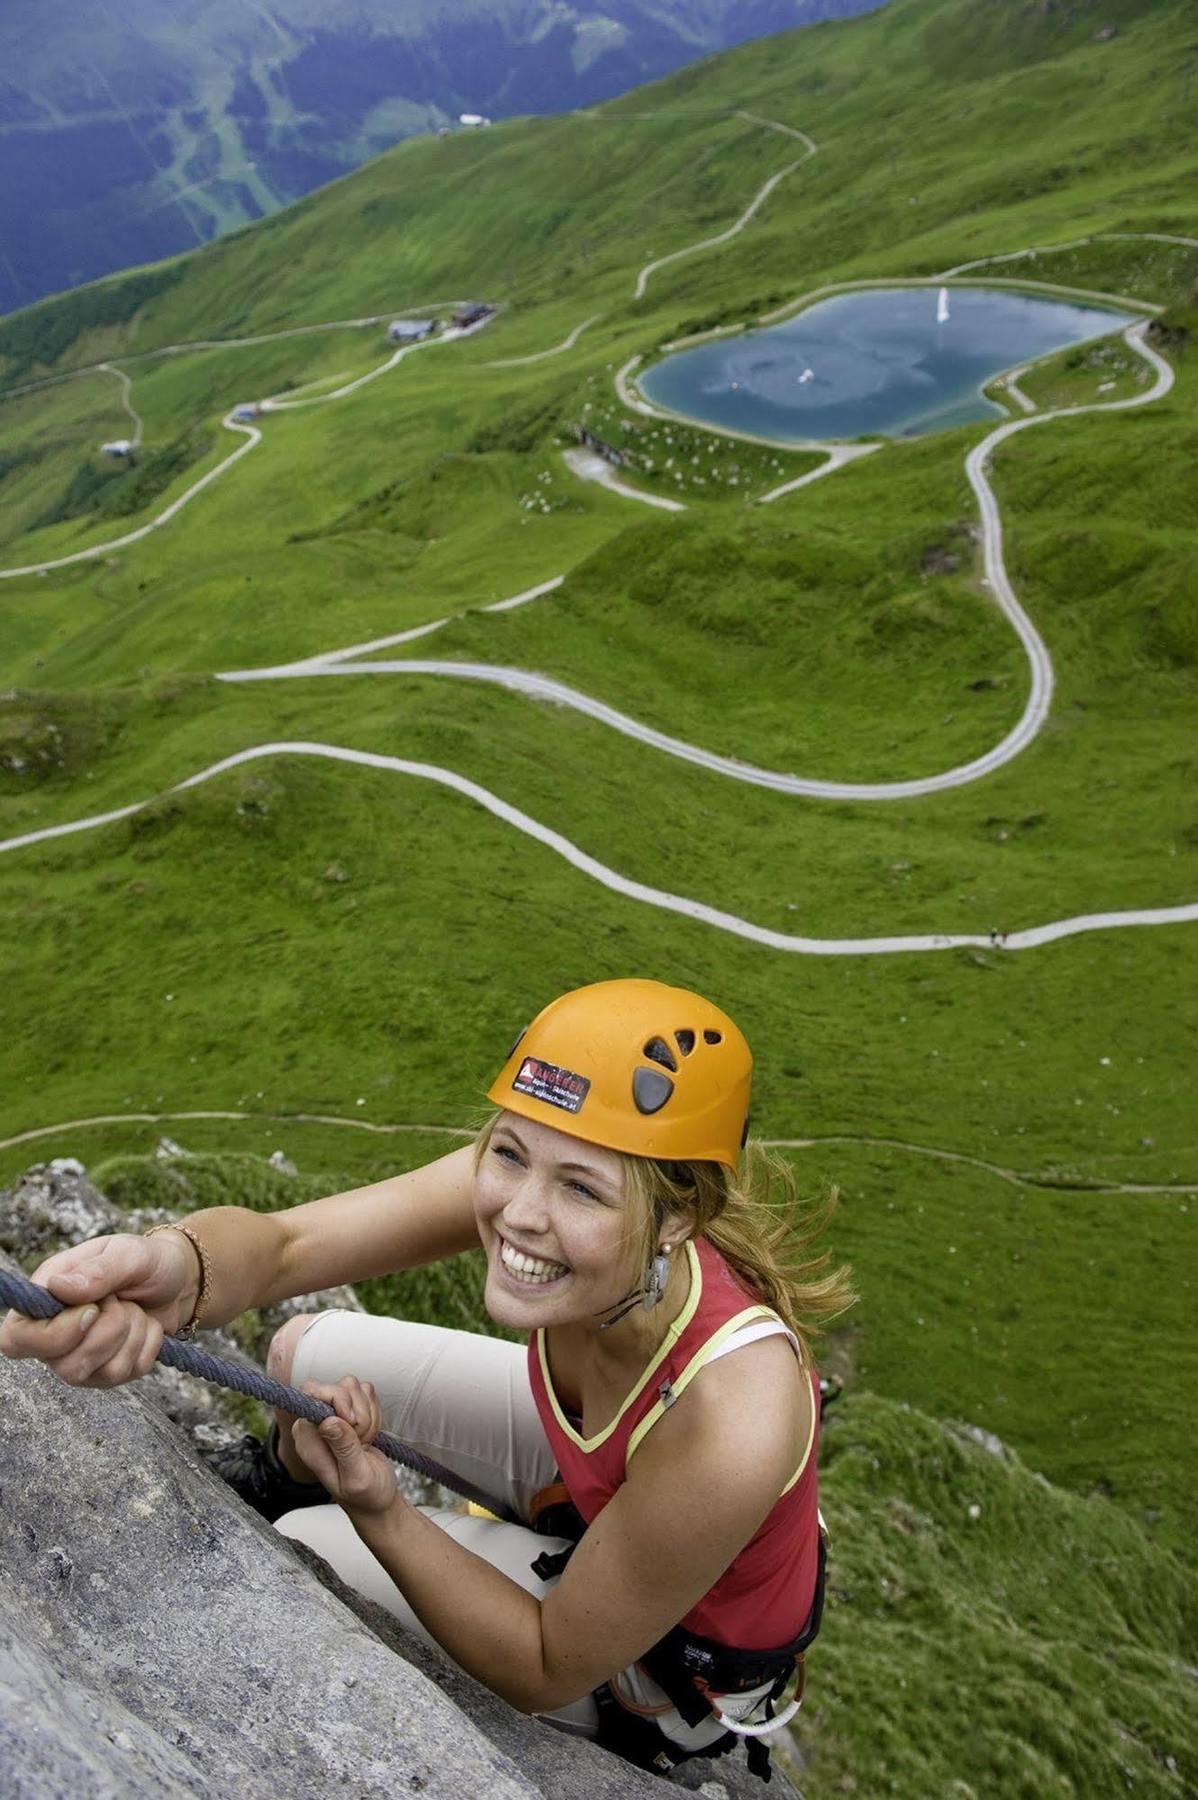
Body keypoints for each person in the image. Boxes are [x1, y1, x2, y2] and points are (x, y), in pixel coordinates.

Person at [0, 979, 853, 1778]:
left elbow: (548, 1661)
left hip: (659, 1658)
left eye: (583, 1190)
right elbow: (290, 1248)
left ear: (680, 1220)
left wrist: (382, 1511)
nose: (521, 1212)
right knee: (307, 1349)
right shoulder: (559, 1193)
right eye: (510, 1153)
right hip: (604, 1479)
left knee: (312, 1549)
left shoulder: (732, 1416)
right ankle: (280, 1480)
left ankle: (317, 1515)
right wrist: (174, 1265)